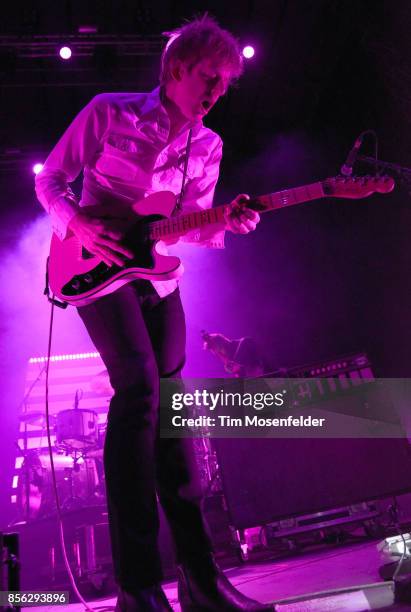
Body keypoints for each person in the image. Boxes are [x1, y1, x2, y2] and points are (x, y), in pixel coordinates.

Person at [35, 15, 274, 612]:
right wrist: (80, 222)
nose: (216, 92)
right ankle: (137, 588)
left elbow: (183, 226)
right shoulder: (108, 112)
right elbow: (52, 182)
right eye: (207, 78)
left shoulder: (209, 145)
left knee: (173, 408)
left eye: (226, 83)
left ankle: (199, 578)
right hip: (93, 267)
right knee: (139, 390)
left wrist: (227, 220)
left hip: (157, 277)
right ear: (174, 70)